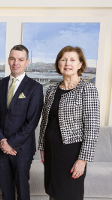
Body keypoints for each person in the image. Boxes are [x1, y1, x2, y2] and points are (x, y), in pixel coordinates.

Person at [38, 46, 100, 200]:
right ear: (58, 64)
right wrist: (42, 147)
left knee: (70, 194)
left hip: (72, 153)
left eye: (73, 60)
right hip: (52, 151)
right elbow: (45, 121)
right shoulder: (52, 90)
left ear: (80, 64)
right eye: (64, 59)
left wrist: (82, 160)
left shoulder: (87, 89)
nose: (67, 63)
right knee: (53, 192)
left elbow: (92, 129)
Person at [0, 44, 43, 200]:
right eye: (13, 58)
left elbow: (32, 122)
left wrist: (11, 144)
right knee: (5, 190)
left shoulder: (35, 88)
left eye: (20, 59)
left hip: (22, 149)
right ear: (8, 60)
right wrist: (2, 141)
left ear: (27, 62)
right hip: (1, 147)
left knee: (22, 188)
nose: (16, 63)